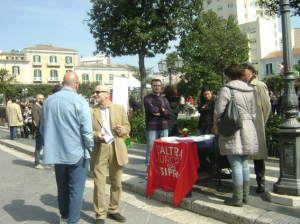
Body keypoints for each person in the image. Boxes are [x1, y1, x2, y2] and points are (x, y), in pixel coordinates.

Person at [40, 72, 94, 224]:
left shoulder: (48, 101)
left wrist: (52, 144)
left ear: (63, 83)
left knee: (62, 187)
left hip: (57, 154)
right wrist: (89, 148)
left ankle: (64, 217)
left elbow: (43, 128)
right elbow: (87, 132)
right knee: (76, 190)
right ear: (77, 84)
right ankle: (73, 221)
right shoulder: (80, 101)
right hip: (76, 153)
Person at [213, 64, 258, 207]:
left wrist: (216, 127)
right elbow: (254, 112)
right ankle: (245, 196)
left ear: (228, 76)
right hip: (248, 126)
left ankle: (237, 199)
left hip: (232, 127)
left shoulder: (227, 88)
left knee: (236, 163)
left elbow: (219, 111)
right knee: (245, 162)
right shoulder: (249, 89)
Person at [90, 85, 130, 224]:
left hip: (116, 147)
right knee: (99, 183)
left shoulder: (119, 108)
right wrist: (96, 135)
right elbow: (86, 131)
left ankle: (114, 210)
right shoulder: (91, 110)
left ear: (107, 94)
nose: (95, 94)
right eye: (95, 92)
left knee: (116, 182)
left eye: (98, 92)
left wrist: (121, 129)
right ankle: (100, 214)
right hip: (99, 147)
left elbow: (127, 126)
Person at [241, 62, 271, 194]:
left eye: (244, 71)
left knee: (258, 157)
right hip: (244, 125)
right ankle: (243, 182)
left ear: (251, 71)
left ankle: (261, 182)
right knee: (244, 155)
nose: (242, 73)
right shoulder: (241, 86)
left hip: (256, 125)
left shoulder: (259, 85)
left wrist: (261, 123)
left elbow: (266, 107)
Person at [144, 79, 171, 176]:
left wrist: (158, 112)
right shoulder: (147, 98)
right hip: (152, 128)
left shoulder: (164, 99)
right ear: (151, 86)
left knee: (164, 151)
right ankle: (149, 172)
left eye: (159, 85)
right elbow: (150, 109)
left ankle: (162, 172)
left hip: (164, 128)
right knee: (150, 150)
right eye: (155, 85)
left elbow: (169, 111)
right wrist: (162, 110)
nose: (157, 87)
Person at [196, 86, 217, 179]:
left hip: (210, 125)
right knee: (201, 147)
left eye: (208, 94)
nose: (207, 96)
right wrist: (199, 126)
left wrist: (214, 126)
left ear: (211, 92)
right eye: (205, 94)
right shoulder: (203, 102)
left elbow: (214, 115)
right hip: (203, 125)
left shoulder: (214, 101)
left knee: (208, 147)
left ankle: (211, 167)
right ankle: (204, 167)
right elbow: (201, 116)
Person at [32, 94, 45, 169]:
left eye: (43, 98)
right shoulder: (35, 107)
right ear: (37, 99)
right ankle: (37, 163)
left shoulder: (40, 107)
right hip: (39, 131)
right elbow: (36, 120)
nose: (42, 100)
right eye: (41, 99)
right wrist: (40, 128)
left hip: (42, 130)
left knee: (45, 146)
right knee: (38, 147)